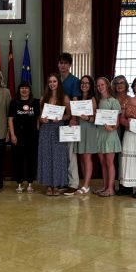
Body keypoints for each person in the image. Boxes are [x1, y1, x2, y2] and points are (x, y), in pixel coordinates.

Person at [38, 73, 71, 196]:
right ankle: (48, 185)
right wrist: (43, 119)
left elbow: (69, 115)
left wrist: (61, 117)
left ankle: (56, 185)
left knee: (58, 157)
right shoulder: (43, 98)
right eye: (50, 82)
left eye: (54, 81)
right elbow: (41, 117)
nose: (52, 84)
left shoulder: (64, 98)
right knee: (46, 157)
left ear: (58, 83)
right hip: (46, 130)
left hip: (58, 129)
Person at [8, 81, 39, 194]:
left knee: (31, 160)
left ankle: (30, 184)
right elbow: (10, 119)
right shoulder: (14, 102)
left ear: (29, 90)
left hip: (32, 136)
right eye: (22, 88)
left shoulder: (35, 102)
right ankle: (19, 184)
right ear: (19, 90)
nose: (24, 90)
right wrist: (12, 134)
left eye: (26, 88)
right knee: (18, 160)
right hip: (18, 136)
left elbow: (38, 119)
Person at [58, 53, 81, 195]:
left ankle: (73, 183)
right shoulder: (55, 79)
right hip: (56, 121)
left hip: (69, 121)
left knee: (71, 153)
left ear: (70, 65)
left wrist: (73, 117)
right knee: (61, 153)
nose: (63, 65)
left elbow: (75, 101)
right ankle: (63, 181)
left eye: (66, 63)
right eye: (61, 63)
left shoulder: (74, 81)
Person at [94, 77, 121, 197]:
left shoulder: (113, 101)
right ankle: (105, 186)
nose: (100, 87)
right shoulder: (98, 101)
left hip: (110, 134)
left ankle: (111, 188)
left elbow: (117, 122)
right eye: (98, 85)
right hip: (100, 134)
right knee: (103, 163)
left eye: (102, 85)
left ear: (107, 85)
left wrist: (112, 128)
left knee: (109, 162)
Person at [72, 75, 98, 195]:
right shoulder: (77, 98)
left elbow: (95, 118)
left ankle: (86, 185)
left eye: (87, 83)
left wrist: (87, 118)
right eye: (82, 83)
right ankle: (85, 184)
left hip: (89, 129)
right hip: (79, 129)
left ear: (91, 85)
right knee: (82, 157)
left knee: (87, 158)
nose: (84, 85)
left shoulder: (92, 98)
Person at [112, 75, 131, 195]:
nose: (119, 85)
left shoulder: (130, 99)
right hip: (113, 130)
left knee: (125, 157)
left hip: (127, 130)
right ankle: (112, 183)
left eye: (122, 83)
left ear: (126, 85)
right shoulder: (111, 98)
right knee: (114, 158)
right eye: (117, 83)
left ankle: (125, 184)